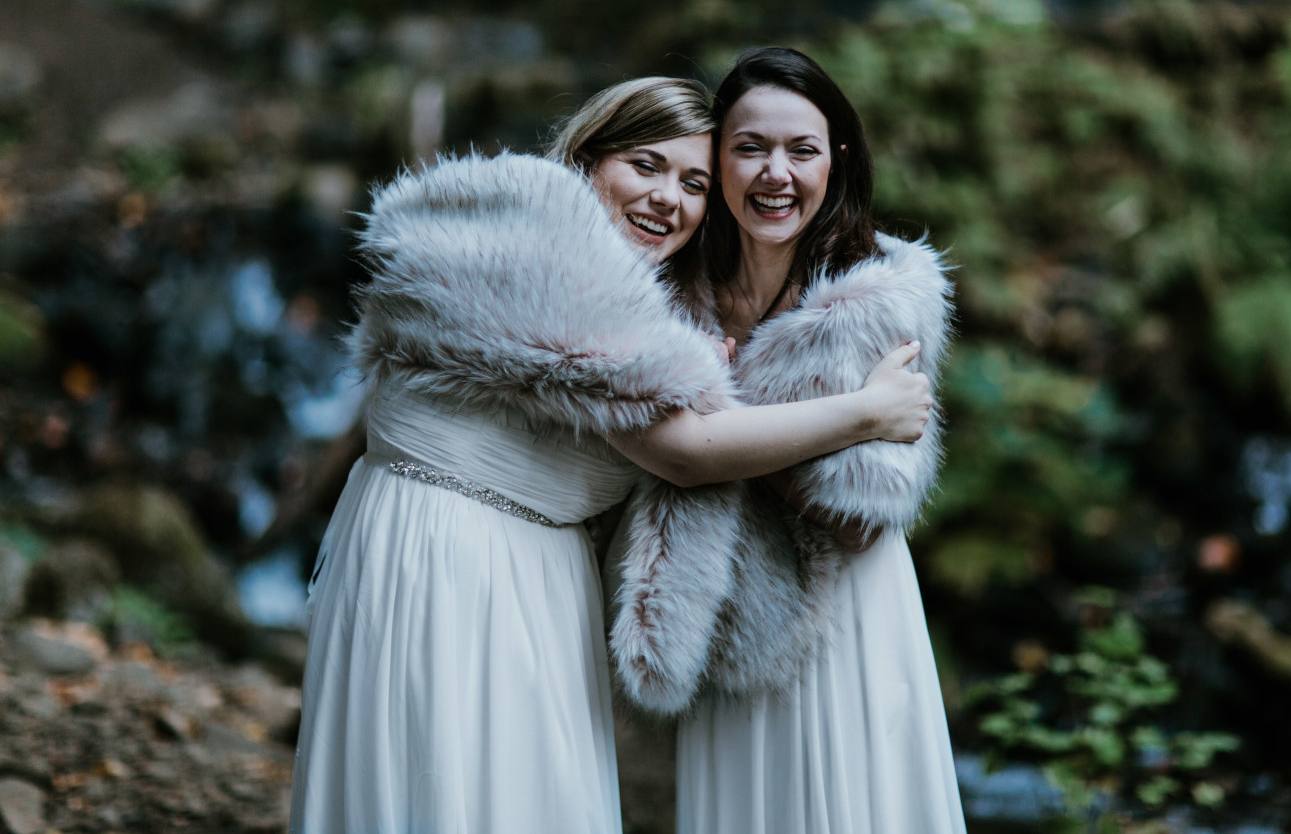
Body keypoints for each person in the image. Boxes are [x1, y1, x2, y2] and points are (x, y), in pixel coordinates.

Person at [288, 75, 934, 834]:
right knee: (458, 789)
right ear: (588, 159)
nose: (669, 198)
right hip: (460, 562)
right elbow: (686, 456)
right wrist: (867, 411)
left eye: (694, 182)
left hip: (501, 562)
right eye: (645, 165)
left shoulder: (621, 290)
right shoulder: (547, 254)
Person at [673, 48, 967, 834]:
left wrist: (716, 432)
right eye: (750, 148)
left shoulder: (879, 297)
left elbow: (861, 516)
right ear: (717, 159)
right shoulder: (676, 295)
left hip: (845, 617)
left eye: (801, 150)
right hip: (727, 619)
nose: (776, 173)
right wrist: (842, 417)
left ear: (835, 161)